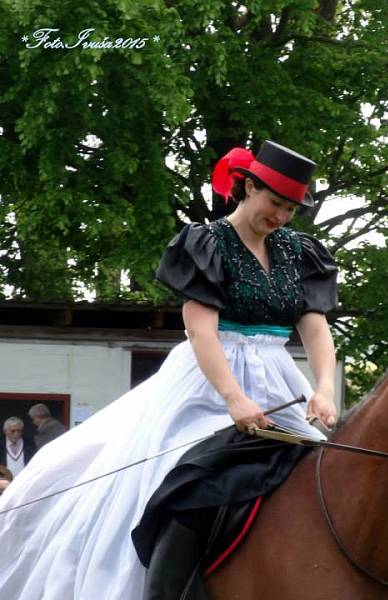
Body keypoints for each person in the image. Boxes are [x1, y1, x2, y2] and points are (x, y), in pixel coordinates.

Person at [0, 140, 339, 600]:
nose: (280, 216)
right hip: (209, 380)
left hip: (281, 380)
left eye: (290, 209)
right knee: (187, 482)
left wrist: (323, 388)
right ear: (247, 187)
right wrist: (234, 399)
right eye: (274, 202)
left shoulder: (301, 252)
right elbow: (201, 332)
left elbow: (315, 328)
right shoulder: (206, 242)